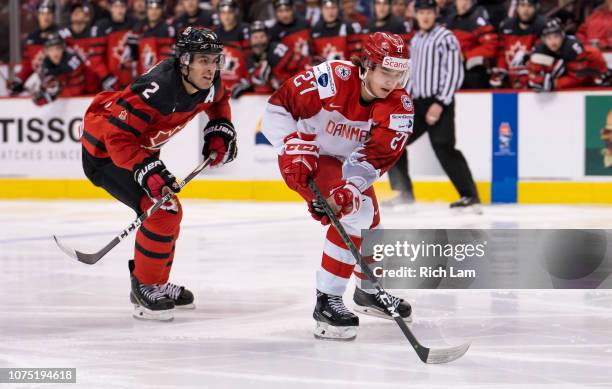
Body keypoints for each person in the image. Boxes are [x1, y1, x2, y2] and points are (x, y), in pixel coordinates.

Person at [262, 32, 414, 340]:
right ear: (366, 65)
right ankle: (327, 301)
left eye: (399, 73)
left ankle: (368, 292)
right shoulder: (331, 78)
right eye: (386, 71)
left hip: (343, 162)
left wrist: (352, 187)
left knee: (370, 220)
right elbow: (277, 110)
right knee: (356, 215)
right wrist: (290, 144)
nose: (393, 80)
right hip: (306, 155)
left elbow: (375, 158)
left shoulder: (399, 106)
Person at [79, 27, 238, 321]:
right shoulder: (156, 89)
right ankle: (145, 285)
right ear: (185, 61)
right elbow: (117, 138)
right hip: (104, 153)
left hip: (139, 150)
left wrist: (219, 131)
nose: (211, 68)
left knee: (167, 211)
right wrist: (146, 170)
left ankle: (156, 281)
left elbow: (218, 104)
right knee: (165, 210)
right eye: (204, 60)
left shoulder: (211, 83)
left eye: (215, 60)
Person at [386, 0, 481, 210]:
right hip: (416, 103)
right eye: (421, 12)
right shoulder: (417, 39)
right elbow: (414, 73)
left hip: (439, 102)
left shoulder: (445, 37)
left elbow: (454, 72)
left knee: (444, 148)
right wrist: (404, 101)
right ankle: (404, 192)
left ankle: (470, 195)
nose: (425, 16)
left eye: (429, 12)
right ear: (416, 15)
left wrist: (440, 102)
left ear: (435, 13)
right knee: (394, 141)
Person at [232, 20, 310, 97]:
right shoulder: (250, 58)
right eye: (255, 37)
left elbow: (302, 66)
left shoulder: (277, 51)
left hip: (298, 95)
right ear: (250, 40)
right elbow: (260, 86)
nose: (259, 41)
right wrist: (248, 84)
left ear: (268, 37)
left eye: (262, 37)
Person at [528, 18, 609, 91]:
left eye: (556, 36)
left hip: (591, 72)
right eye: (549, 38)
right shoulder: (539, 50)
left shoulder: (573, 48)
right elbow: (533, 75)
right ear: (543, 39)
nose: (553, 42)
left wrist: (555, 83)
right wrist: (537, 81)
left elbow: (579, 78)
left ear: (562, 35)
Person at [490, 0, 545, 89]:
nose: (526, 10)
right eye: (522, 5)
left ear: (535, 8)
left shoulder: (542, 26)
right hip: (509, 74)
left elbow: (541, 55)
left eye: (529, 6)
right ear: (517, 8)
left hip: (531, 75)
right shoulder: (506, 26)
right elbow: (501, 53)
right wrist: (501, 69)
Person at [8, 0, 58, 95]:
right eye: (42, 13)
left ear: (54, 16)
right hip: (40, 81)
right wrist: (19, 80)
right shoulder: (32, 37)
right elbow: (28, 64)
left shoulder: (62, 34)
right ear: (38, 15)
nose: (46, 17)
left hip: (58, 81)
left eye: (49, 13)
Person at [444, 0, 497, 89]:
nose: (462, 4)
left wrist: (465, 55)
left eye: (466, 0)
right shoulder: (449, 18)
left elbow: (491, 47)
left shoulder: (478, 17)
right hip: (449, 69)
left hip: (470, 71)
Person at [91, 0, 138, 89]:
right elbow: (95, 58)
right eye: (116, 6)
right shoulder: (101, 27)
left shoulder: (136, 24)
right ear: (110, 8)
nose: (119, 10)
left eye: (122, 6)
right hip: (112, 80)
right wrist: (106, 76)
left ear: (126, 8)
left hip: (133, 78)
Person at [32, 33, 87, 106]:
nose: (55, 53)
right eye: (51, 49)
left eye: (58, 48)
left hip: (89, 95)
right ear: (46, 52)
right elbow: (48, 86)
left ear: (63, 49)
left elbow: (77, 90)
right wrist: (45, 93)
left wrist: (53, 96)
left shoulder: (72, 61)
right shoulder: (45, 65)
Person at [214, 0, 250, 91]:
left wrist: (247, 80)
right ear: (219, 15)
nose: (226, 16)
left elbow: (250, 57)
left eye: (229, 12)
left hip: (240, 80)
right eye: (223, 13)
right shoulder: (215, 32)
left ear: (235, 13)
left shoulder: (244, 30)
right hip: (221, 82)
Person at [134, 0, 176, 75]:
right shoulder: (139, 28)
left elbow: (168, 60)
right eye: (150, 8)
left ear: (162, 9)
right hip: (142, 75)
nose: (154, 12)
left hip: (161, 75)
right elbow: (135, 56)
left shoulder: (169, 30)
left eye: (157, 8)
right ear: (146, 9)